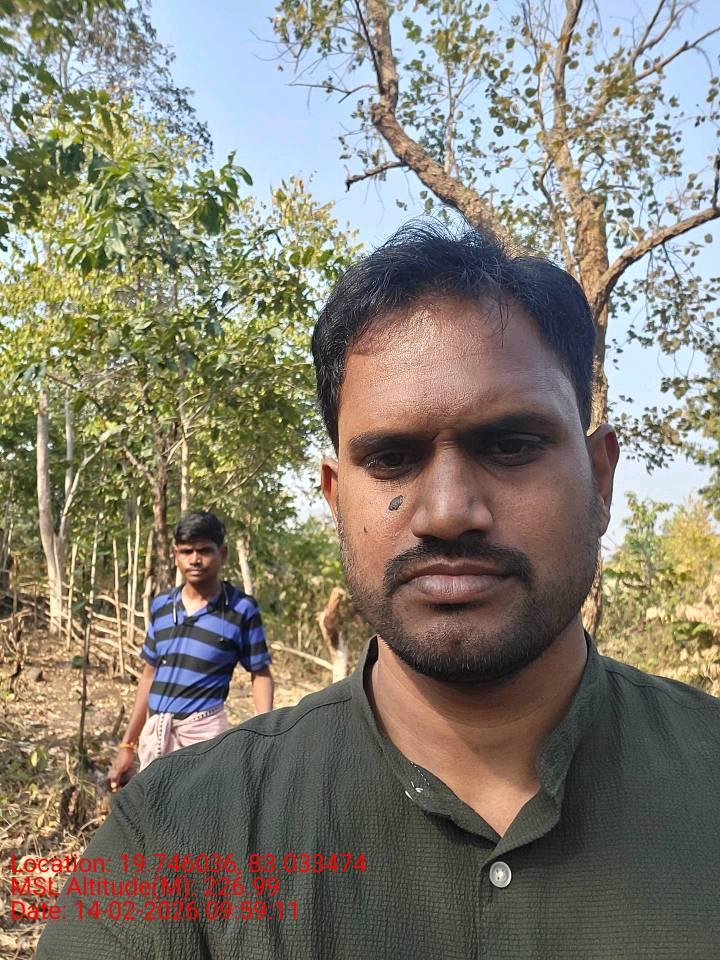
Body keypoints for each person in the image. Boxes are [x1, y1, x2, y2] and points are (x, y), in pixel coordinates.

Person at [37, 222, 720, 959]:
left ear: (601, 480)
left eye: (511, 446)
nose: (448, 512)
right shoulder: (173, 837)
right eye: (393, 458)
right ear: (336, 499)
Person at [107, 510, 273, 790]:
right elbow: (149, 676)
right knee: (154, 810)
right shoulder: (162, 606)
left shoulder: (240, 609)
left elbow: (260, 674)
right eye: (186, 551)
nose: (195, 559)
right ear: (176, 555)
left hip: (204, 738)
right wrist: (127, 745)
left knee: (201, 810)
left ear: (222, 553)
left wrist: (264, 733)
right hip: (156, 736)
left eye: (204, 550)